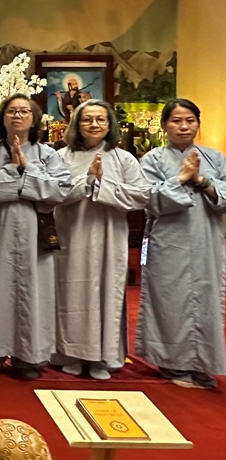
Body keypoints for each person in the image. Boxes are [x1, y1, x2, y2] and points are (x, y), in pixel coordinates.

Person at [0, 94, 72, 379]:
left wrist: (27, 169)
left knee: (34, 291)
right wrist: (13, 171)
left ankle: (29, 357)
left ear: (34, 118)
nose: (17, 115)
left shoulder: (47, 154)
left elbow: (61, 190)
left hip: (35, 232)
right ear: (2, 118)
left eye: (24, 111)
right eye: (12, 111)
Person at [53, 100, 149, 380]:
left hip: (109, 235)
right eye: (87, 119)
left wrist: (103, 184)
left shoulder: (123, 159)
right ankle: (70, 353)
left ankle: (102, 357)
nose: (94, 124)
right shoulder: (62, 157)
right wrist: (85, 180)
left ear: (109, 125)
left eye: (100, 119)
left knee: (107, 290)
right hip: (72, 233)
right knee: (71, 292)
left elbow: (142, 195)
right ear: (76, 124)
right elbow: (51, 192)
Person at [137, 98, 226, 390]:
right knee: (170, 300)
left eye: (190, 120)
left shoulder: (215, 158)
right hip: (168, 241)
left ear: (198, 124)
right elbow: (148, 198)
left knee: (207, 299)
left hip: (206, 240)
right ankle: (172, 362)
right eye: (176, 120)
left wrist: (201, 181)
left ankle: (201, 364)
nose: (184, 126)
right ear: (164, 125)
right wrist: (180, 179)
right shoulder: (152, 159)